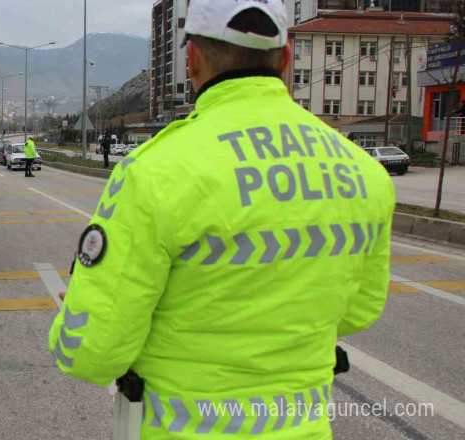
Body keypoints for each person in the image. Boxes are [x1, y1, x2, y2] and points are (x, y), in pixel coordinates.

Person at [48, 1, 395, 439]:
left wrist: (76, 314)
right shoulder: (362, 172)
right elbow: (360, 310)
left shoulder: (157, 171)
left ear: (191, 58)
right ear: (286, 59)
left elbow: (91, 352)